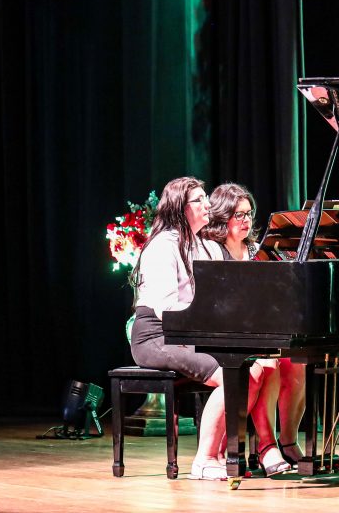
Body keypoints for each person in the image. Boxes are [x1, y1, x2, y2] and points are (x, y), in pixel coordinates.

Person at [129, 176, 269, 481]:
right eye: (199, 200)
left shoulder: (206, 246)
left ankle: (219, 453)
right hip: (156, 335)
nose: (207, 204)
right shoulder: (163, 246)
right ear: (180, 207)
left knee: (253, 372)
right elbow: (167, 309)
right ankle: (203, 459)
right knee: (226, 376)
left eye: (206, 198)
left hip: (191, 332)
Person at [201, 183, 306, 469]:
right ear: (223, 217)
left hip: (255, 330)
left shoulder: (256, 250)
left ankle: (288, 440)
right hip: (222, 333)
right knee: (268, 364)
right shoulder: (211, 249)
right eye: (239, 215)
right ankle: (266, 446)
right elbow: (213, 301)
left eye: (249, 214)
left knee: (296, 363)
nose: (246, 221)